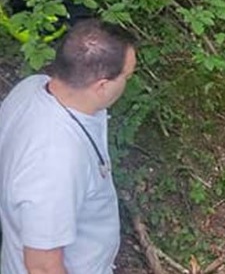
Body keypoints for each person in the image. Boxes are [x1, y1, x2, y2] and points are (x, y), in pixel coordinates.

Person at [0, 19, 137, 274]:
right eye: (127, 76)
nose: (128, 83)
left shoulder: (33, 88)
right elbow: (41, 267)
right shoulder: (55, 162)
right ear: (102, 86)